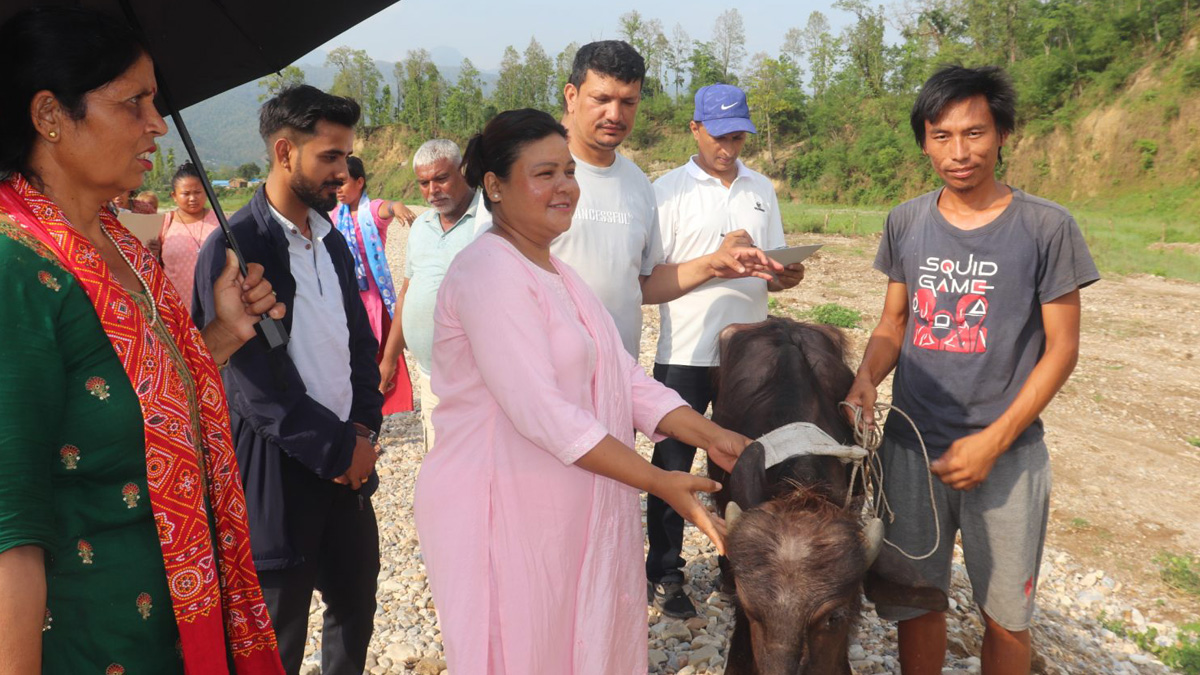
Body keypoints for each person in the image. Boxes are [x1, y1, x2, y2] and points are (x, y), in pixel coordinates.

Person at [413, 109, 753, 675]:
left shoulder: (556, 271)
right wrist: (660, 481)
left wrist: (712, 434)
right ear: (494, 187)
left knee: (588, 642)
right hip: (502, 506)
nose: (565, 187)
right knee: (527, 648)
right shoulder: (488, 273)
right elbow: (542, 413)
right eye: (544, 174)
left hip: (572, 498)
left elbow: (622, 377)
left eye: (568, 172)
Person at [0, 7, 286, 674]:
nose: (158, 124)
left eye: (156, 102)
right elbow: (10, 534)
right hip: (88, 643)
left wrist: (219, 332)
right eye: (134, 102)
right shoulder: (16, 271)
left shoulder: (122, 251)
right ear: (50, 115)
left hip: (175, 630)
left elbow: (134, 404)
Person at [843, 65, 1099, 675]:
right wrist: (865, 378)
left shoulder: (1046, 226)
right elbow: (894, 322)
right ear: (924, 141)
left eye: (974, 133)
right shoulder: (906, 220)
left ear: (1003, 133)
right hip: (909, 449)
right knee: (917, 600)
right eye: (941, 135)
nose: (959, 152)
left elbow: (1062, 349)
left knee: (1007, 614)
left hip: (1007, 455)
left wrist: (993, 441)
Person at [193, 84, 385, 675]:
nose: (343, 170)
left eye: (346, 156)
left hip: (349, 454)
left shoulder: (332, 240)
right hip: (277, 462)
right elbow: (256, 389)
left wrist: (361, 431)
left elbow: (359, 342)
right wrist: (333, 450)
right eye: (329, 156)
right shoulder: (234, 248)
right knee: (277, 626)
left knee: (355, 606)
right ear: (284, 152)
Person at [645, 83, 807, 618]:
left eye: (739, 136)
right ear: (694, 129)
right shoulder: (665, 192)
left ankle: (735, 568)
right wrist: (715, 259)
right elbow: (648, 280)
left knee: (749, 467)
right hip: (686, 351)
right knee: (673, 463)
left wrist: (787, 276)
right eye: (720, 136)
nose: (729, 148)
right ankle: (665, 572)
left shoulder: (762, 188)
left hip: (750, 356)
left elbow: (773, 273)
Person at [556, 40, 781, 357]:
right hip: (543, 375)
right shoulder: (532, 172)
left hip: (618, 373)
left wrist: (714, 264)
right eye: (601, 99)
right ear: (571, 96)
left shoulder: (637, 184)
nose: (615, 114)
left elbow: (644, 285)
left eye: (628, 102)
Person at [378, 139, 485, 448]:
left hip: (477, 382)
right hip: (429, 377)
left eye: (441, 178)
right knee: (440, 462)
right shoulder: (422, 225)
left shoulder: (490, 221)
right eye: (424, 183)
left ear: (462, 170)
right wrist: (389, 359)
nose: (432, 190)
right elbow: (407, 295)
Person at [332, 155, 415, 415]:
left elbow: (387, 207)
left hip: (373, 299)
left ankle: (377, 403)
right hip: (347, 298)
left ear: (360, 182)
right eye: (335, 184)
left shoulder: (371, 212)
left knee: (377, 354)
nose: (338, 189)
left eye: (343, 183)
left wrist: (398, 206)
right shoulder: (334, 215)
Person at [150, 162, 221, 304]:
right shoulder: (164, 223)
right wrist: (152, 251)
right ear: (174, 196)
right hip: (177, 304)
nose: (193, 198)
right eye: (186, 194)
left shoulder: (220, 220)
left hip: (217, 302)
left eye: (198, 192)